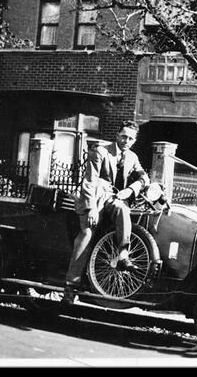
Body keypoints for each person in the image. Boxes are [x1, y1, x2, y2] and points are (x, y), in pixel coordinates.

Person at [62, 120, 150, 305]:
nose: (126, 140)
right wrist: (92, 208)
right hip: (95, 197)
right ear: (117, 135)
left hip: (113, 198)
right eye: (124, 136)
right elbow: (89, 181)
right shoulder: (100, 151)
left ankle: (123, 254)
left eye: (131, 138)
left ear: (134, 141)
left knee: (122, 208)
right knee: (87, 233)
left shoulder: (132, 157)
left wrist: (131, 189)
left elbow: (144, 178)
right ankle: (71, 286)